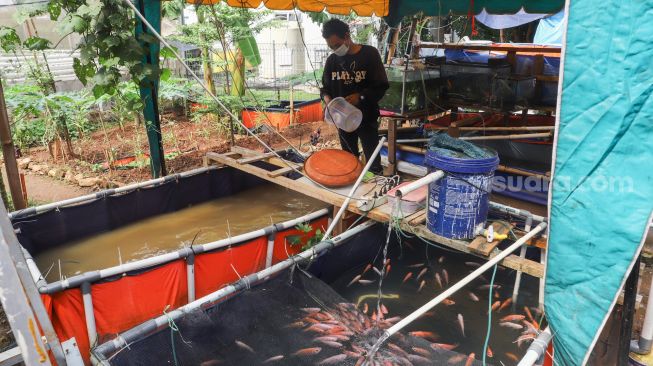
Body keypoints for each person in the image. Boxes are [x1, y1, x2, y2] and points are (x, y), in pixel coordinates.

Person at [319, 18, 389, 174]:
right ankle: (352, 189)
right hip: (342, 119)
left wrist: (361, 96)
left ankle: (374, 189)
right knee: (348, 161)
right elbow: (325, 89)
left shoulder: (369, 54)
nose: (335, 50)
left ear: (346, 36)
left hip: (366, 117)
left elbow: (381, 85)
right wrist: (328, 101)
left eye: (337, 45)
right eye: (331, 47)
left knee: (372, 161)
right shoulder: (332, 61)